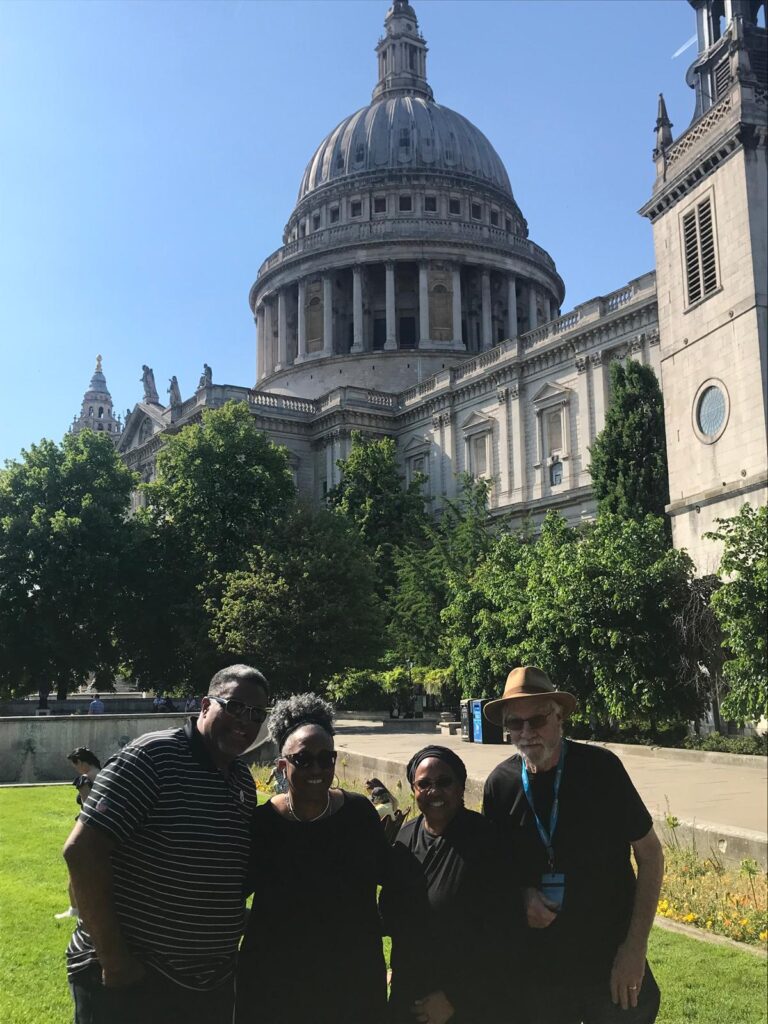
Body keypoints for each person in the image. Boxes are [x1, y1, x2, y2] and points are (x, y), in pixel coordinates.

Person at [63, 663, 269, 1024]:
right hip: (136, 981)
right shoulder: (153, 758)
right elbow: (82, 852)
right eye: (234, 706)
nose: (245, 721)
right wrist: (115, 961)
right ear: (205, 705)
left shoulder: (241, 780)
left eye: (256, 714)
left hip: (206, 985)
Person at [482, 667, 664, 1024]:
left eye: (536, 720)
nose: (526, 733)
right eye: (514, 724)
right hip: (541, 973)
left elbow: (651, 855)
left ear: (559, 716)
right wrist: (520, 896)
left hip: (610, 963)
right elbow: (493, 873)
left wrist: (634, 949)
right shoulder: (500, 786)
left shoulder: (602, 770)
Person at [235, 693, 431, 1024]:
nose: (317, 768)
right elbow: (231, 892)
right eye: (304, 759)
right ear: (282, 765)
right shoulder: (263, 823)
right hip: (276, 982)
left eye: (326, 758)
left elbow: (390, 878)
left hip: (350, 980)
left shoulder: (358, 813)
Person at [395, 745, 521, 1024]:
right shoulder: (404, 840)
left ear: (461, 786)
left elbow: (505, 932)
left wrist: (455, 997)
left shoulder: (487, 841)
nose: (434, 791)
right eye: (424, 784)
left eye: (444, 782)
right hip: (411, 995)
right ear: (413, 789)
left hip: (468, 1003)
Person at [55, 748, 102, 920]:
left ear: (81, 762)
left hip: (88, 827)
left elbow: (88, 806)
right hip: (108, 827)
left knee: (76, 869)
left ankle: (75, 909)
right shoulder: (104, 774)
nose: (76, 769)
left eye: (75, 764)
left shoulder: (85, 779)